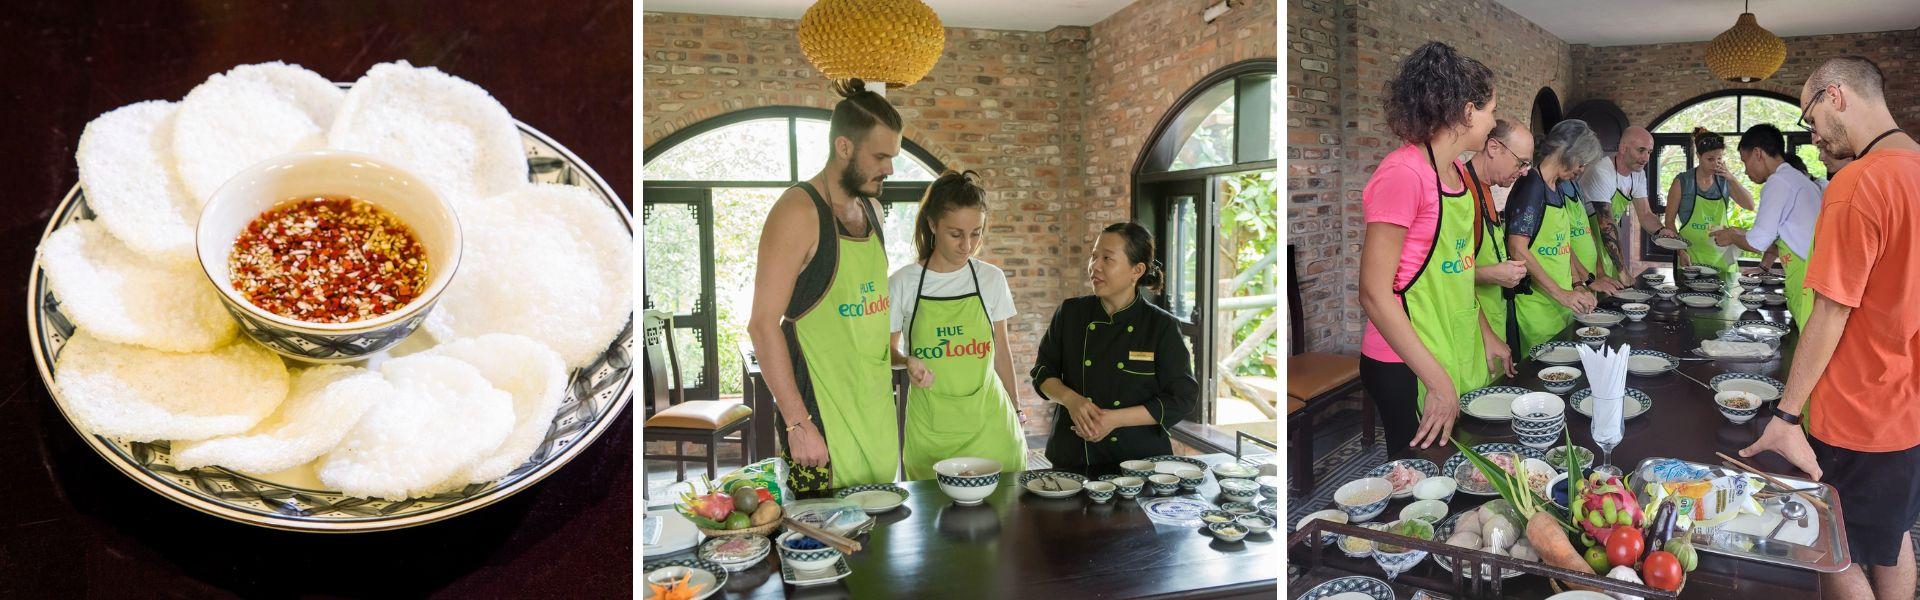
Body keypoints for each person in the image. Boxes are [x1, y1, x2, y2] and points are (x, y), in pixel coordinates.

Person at [1740, 55, 1920, 600]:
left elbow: (1830, 311)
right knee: (1891, 537)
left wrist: (1786, 416)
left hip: (1855, 409)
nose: (1811, 134)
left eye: (1809, 117)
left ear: (1835, 94)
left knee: (1826, 543)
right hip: (1906, 403)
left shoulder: (1856, 183)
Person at [1357, 42, 1513, 453]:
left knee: (1462, 466)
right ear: (1465, 111)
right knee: (1418, 477)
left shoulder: (1459, 172)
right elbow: (1374, 294)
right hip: (1405, 361)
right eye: (1491, 111)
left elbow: (1457, 271)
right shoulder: (1402, 174)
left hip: (1450, 342)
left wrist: (1486, 334)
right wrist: (1436, 380)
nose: (1493, 122)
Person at [748, 78, 901, 492]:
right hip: (819, 419)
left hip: (874, 411)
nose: (890, 168)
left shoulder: (872, 209)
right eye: (881, 156)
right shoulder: (797, 211)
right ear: (845, 148)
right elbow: (762, 325)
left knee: (880, 537)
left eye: (893, 157)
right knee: (819, 543)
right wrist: (798, 424)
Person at [889, 170, 1027, 481]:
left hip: (991, 424)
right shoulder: (903, 283)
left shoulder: (991, 279)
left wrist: (1016, 411)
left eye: (976, 233)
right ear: (932, 224)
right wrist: (905, 361)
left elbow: (1001, 352)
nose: (967, 245)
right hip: (931, 434)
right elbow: (887, 351)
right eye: (956, 234)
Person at [1031, 222, 1199, 472]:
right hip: (1073, 459)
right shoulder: (1070, 314)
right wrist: (1071, 400)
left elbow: (1182, 398)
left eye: (1107, 258)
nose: (1094, 266)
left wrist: (1114, 419)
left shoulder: (1161, 326)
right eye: (1094, 256)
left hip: (1139, 464)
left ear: (1137, 270)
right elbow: (1043, 372)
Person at [1506, 119, 1606, 352]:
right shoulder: (1532, 185)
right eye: (1581, 162)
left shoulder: (1555, 187)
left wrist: (1577, 284)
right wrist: (1560, 293)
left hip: (1559, 304)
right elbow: (1517, 248)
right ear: (1567, 152)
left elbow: (1562, 245)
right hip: (1536, 306)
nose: (1581, 170)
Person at [1710, 124, 1822, 330]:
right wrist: (1737, 233)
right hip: (1812, 275)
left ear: (1758, 153)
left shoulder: (1778, 182)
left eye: (1745, 161)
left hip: (1806, 279)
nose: (1746, 170)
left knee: (1805, 344)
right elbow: (1777, 236)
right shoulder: (1797, 179)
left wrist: (1732, 238)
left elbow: (1758, 242)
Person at [1467, 118, 1533, 345]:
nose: (1524, 172)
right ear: (1493, 147)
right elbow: (1441, 274)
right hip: (1471, 332)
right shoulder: (1464, 192)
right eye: (1521, 162)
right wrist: (1491, 274)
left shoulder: (1486, 189)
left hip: (1493, 319)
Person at [1579, 126, 1671, 281]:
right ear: (1623, 148)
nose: (1646, 158)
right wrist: (1623, 270)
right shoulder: (1602, 171)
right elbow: (1606, 225)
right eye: (1641, 150)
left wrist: (1661, 232)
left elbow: (1645, 214)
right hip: (1586, 246)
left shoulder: (1638, 174)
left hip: (1609, 249)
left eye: (1649, 152)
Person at [1663, 127, 1755, 274]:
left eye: (1719, 159)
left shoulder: (1724, 181)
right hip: (1690, 259)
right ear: (1699, 156)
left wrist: (1731, 178)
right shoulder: (1683, 181)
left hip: (1722, 259)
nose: (1715, 164)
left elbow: (1750, 205)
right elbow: (1669, 221)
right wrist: (1681, 251)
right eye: (1710, 159)